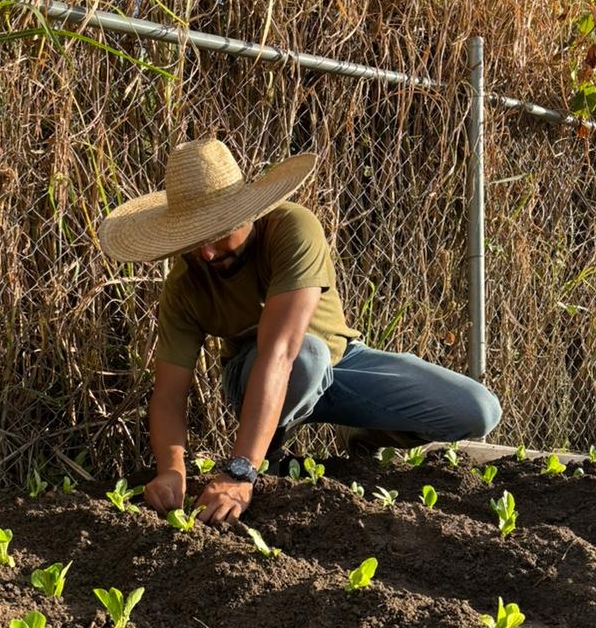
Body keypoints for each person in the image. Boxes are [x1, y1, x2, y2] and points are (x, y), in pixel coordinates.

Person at [98, 138, 501, 525]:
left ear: (246, 213)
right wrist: (172, 470)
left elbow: (282, 350)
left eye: (218, 232)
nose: (206, 253)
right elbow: (169, 394)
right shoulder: (185, 286)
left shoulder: (291, 228)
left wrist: (238, 471)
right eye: (194, 240)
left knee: (478, 410)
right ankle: (267, 454)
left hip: (343, 363)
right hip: (256, 373)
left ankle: (360, 435)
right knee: (309, 360)